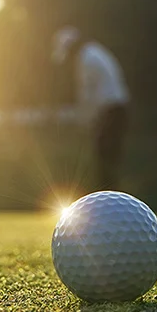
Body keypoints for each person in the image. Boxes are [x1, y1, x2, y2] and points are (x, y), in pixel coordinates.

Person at [51, 26, 131, 191]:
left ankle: (108, 196)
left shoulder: (86, 58)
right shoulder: (94, 52)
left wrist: (83, 120)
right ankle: (109, 195)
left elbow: (86, 95)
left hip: (111, 111)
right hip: (117, 109)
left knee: (105, 159)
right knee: (108, 158)